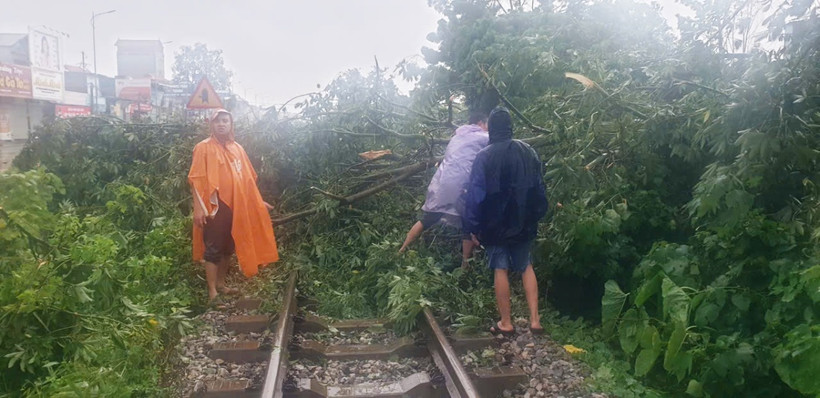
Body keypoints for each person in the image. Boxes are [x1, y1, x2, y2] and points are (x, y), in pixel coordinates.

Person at [463, 107, 549, 335]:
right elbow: (539, 187)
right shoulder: (528, 150)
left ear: (491, 128)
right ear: (510, 127)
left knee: (500, 268)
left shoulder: (483, 156)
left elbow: (475, 194)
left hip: (493, 225)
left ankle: (506, 323)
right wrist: (538, 213)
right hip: (523, 221)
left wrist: (472, 226)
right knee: (525, 265)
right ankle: (535, 320)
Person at [188, 109, 279, 301]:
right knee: (213, 247)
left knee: (229, 247)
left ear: (230, 124)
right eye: (217, 121)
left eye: (225, 121)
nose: (221, 124)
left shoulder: (237, 149)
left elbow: (246, 180)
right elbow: (196, 180)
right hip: (215, 207)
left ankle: (221, 284)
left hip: (237, 206)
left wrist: (257, 201)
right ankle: (212, 292)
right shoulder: (203, 148)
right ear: (211, 125)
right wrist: (198, 209)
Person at [399, 111, 489, 268]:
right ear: (480, 123)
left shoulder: (456, 137)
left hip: (441, 183)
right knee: (468, 222)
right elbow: (500, 144)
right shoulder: (482, 137)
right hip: (461, 185)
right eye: (487, 125)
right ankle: (465, 264)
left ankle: (401, 250)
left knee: (427, 218)